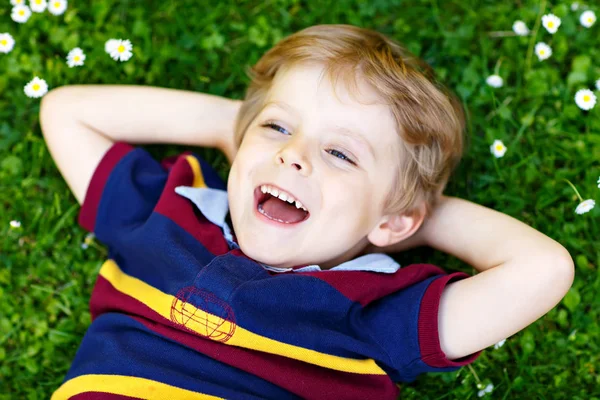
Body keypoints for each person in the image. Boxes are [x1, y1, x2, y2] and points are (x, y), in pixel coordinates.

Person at [40, 24, 574, 400]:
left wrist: (408, 213)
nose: (292, 153)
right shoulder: (173, 213)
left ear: (394, 223)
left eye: (339, 154)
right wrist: (233, 126)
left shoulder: (374, 311)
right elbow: (65, 111)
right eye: (277, 127)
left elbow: (543, 270)